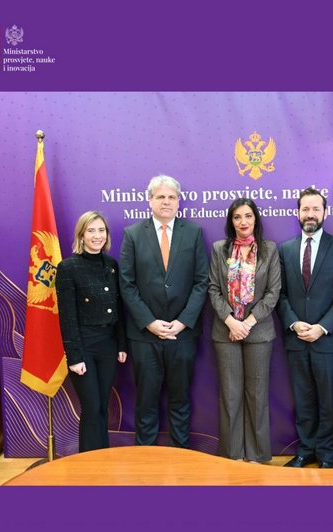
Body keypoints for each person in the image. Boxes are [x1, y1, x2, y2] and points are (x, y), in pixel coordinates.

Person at [119, 175, 208, 448]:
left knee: (180, 400)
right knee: (146, 401)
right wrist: (149, 322)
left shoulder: (193, 233)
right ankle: (145, 459)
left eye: (171, 197)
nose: (166, 202)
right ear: (150, 201)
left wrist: (182, 322)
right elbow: (127, 283)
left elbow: (201, 281)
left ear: (179, 202)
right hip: (145, 336)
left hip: (182, 335)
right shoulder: (133, 234)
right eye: (160, 197)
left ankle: (182, 456)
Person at [278, 187, 333, 468]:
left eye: (315, 209)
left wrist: (321, 327)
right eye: (305, 209)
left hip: (326, 340)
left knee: (327, 402)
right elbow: (280, 294)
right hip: (296, 339)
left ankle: (326, 454)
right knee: (303, 399)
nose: (310, 214)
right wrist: (294, 323)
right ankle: (305, 450)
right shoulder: (285, 249)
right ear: (297, 213)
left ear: (326, 212)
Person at [208, 198, 281, 463]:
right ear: (231, 221)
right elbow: (214, 289)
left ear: (256, 219)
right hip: (226, 331)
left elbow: (273, 293)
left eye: (248, 216)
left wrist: (247, 323)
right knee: (230, 394)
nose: (243, 222)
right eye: (237, 217)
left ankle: (258, 455)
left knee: (257, 394)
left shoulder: (270, 249)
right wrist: (231, 322)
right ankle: (233, 455)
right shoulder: (219, 249)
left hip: (258, 332)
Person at [55, 211, 127, 453]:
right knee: (91, 406)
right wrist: (74, 357)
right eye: (91, 231)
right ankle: (87, 462)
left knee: (102, 406)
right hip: (84, 346)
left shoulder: (113, 266)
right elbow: (67, 317)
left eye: (101, 231)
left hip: (108, 346)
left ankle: (102, 458)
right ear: (81, 235)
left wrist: (121, 345)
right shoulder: (68, 267)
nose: (97, 236)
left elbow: (118, 309)